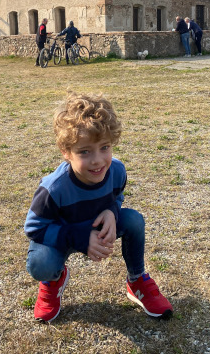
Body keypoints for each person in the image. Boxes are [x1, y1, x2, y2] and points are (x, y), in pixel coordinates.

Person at [24, 92, 173, 323]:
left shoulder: (117, 171)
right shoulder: (53, 189)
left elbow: (118, 195)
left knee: (133, 221)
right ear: (66, 152)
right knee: (40, 263)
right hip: (64, 234)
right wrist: (80, 238)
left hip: (96, 224)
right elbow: (34, 228)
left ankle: (137, 280)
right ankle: (53, 281)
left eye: (104, 147)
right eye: (85, 151)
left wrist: (112, 212)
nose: (98, 160)